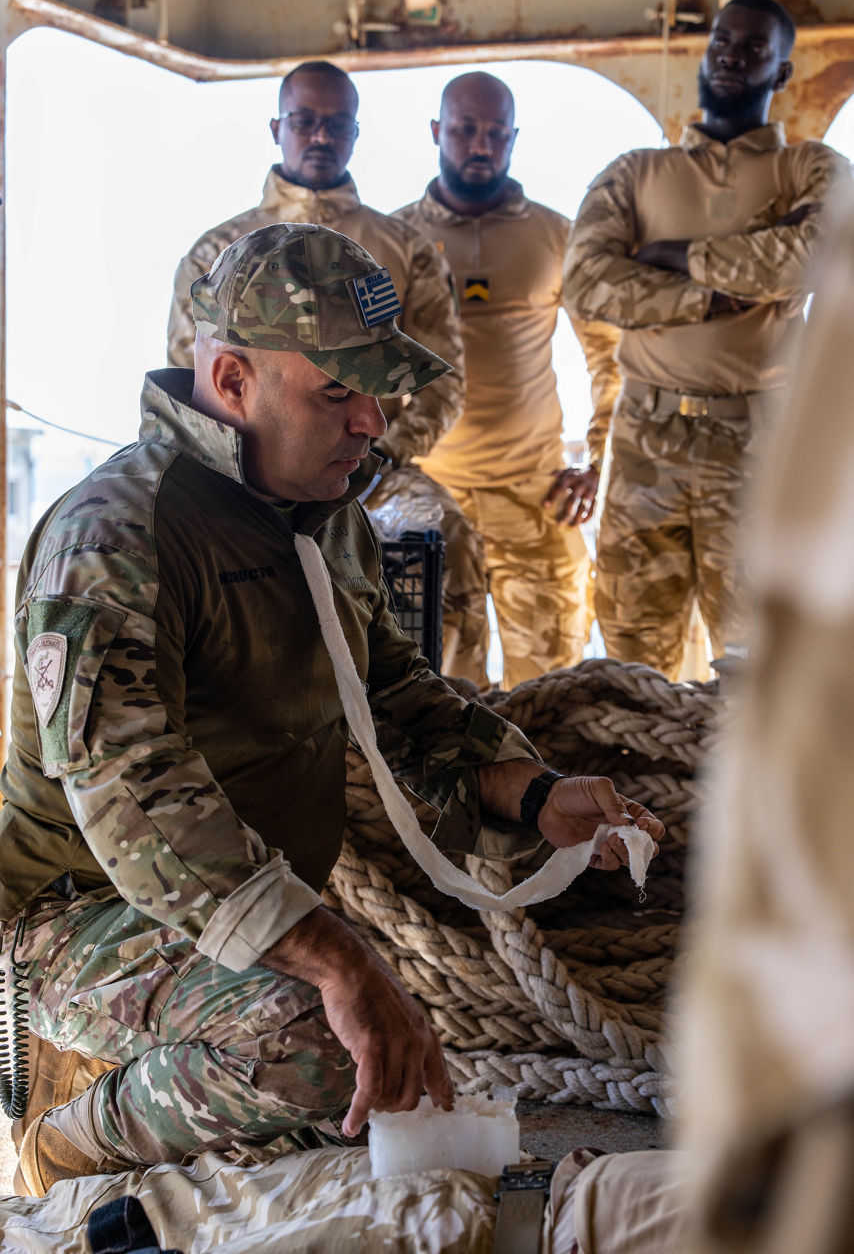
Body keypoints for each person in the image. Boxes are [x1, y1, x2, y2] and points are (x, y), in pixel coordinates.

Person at [0, 223, 664, 1197]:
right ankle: (62, 1150)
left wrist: (535, 795)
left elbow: (395, 696)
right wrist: (342, 963)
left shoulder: (329, 518)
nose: (371, 424)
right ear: (230, 380)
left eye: (379, 393)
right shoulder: (116, 536)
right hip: (83, 911)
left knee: (346, 1044)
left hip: (246, 901)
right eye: (337, 393)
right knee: (318, 1043)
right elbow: (135, 802)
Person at [167, 60, 490, 683]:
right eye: (305, 121)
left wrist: (380, 453)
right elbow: (196, 381)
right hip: (240, 472)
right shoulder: (217, 254)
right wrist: (252, 468)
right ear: (277, 127)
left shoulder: (404, 248)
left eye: (337, 124)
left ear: (355, 133)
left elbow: (441, 380)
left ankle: (456, 716)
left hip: (374, 464)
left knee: (448, 537)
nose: (321, 136)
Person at [564, 0, 849, 681]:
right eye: (723, 39)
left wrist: (681, 255)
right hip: (644, 439)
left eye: (753, 47)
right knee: (632, 661)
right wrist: (718, 296)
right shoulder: (635, 172)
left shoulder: (812, 168)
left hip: (759, 440)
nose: (730, 54)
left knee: (758, 667)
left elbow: (818, 255)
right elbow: (588, 282)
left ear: (781, 73)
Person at [394, 71, 622, 690]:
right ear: (438, 132)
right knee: (436, 695)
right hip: (425, 501)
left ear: (513, 138)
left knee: (553, 695)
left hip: (538, 497)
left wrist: (599, 462)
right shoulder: (397, 239)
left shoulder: (555, 236)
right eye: (466, 129)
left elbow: (610, 359)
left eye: (496, 132)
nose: (480, 145)